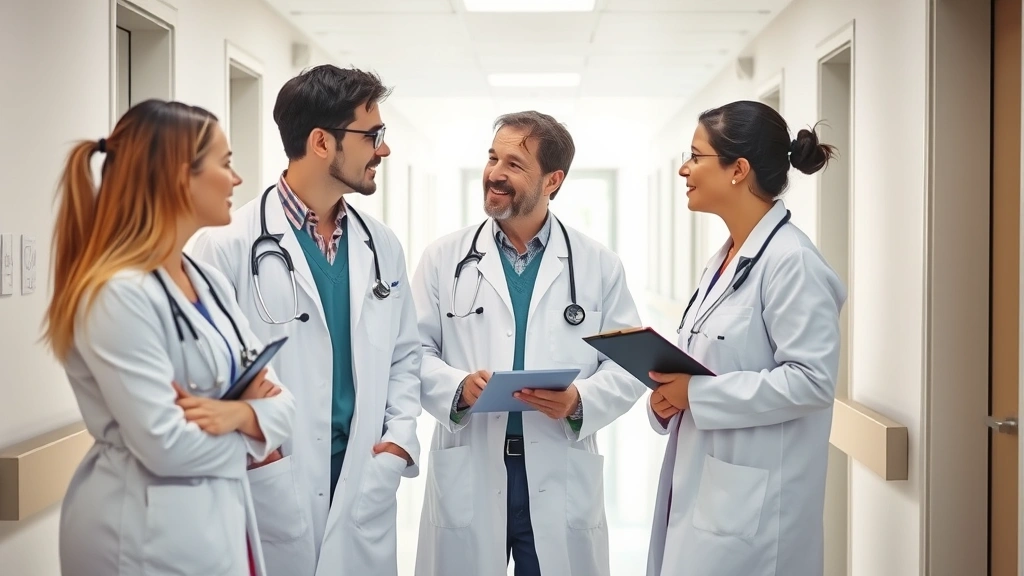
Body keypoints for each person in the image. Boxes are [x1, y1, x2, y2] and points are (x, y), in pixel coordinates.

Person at [46, 99, 296, 576]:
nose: (237, 179)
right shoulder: (116, 296)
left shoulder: (208, 281)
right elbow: (166, 447)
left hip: (215, 522)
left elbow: (284, 404)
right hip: (142, 534)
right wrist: (254, 425)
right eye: (224, 164)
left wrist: (237, 414)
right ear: (180, 176)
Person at [189, 65, 421, 576]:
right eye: (372, 135)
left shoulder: (381, 245)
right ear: (321, 142)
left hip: (364, 475)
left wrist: (399, 440)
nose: (383, 149)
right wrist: (257, 453)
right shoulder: (225, 246)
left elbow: (406, 356)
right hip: (274, 476)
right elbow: (200, 371)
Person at [412, 110, 647, 576]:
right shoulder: (444, 258)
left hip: (558, 465)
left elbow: (629, 366)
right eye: (493, 157)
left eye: (515, 164)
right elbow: (412, 353)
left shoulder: (598, 264)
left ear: (553, 180)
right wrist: (457, 388)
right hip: (472, 462)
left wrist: (580, 400)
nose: (495, 173)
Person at [644, 100, 846, 576]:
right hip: (704, 486)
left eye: (696, 156)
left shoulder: (792, 262)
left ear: (738, 169)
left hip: (752, 511)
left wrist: (696, 393)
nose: (683, 168)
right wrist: (666, 399)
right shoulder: (725, 260)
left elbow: (812, 382)